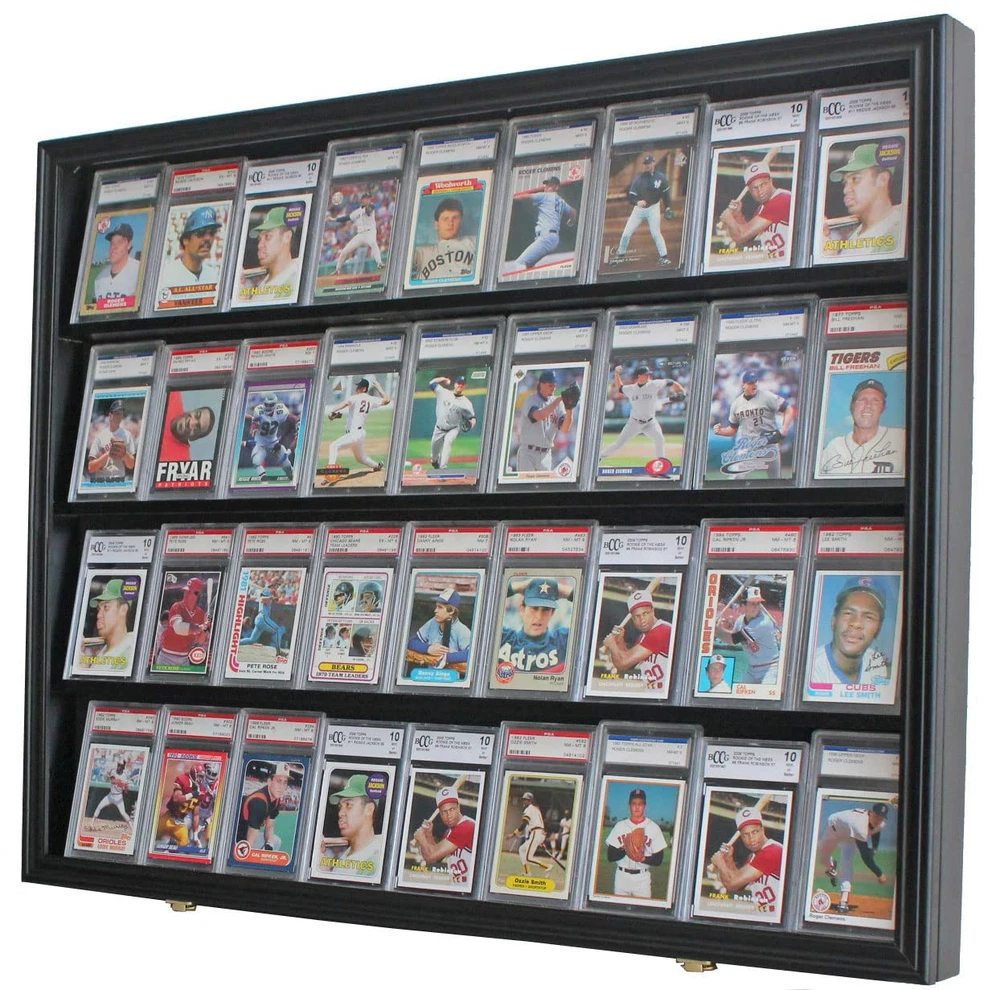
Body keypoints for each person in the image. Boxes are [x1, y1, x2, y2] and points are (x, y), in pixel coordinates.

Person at [712, 369, 794, 479]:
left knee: (775, 479)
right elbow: (733, 429)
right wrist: (722, 431)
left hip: (770, 443)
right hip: (749, 444)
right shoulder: (736, 404)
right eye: (750, 382)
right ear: (743, 384)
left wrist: (784, 429)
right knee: (736, 475)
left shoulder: (767, 396)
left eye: (755, 381)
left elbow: (788, 409)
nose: (754, 385)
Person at [824, 143, 903, 256]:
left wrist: (831, 257)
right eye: (845, 182)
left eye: (855, 179)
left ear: (882, 179)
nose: (846, 190)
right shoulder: (859, 230)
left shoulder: (898, 233)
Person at [810, 580, 891, 686]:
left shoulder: (876, 662)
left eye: (868, 617)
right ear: (834, 621)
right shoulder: (811, 667)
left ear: (878, 629)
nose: (856, 623)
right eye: (848, 613)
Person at [815, 801, 891, 913]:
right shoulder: (859, 825)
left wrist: (874, 849)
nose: (878, 820)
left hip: (850, 837)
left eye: (881, 818)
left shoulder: (880, 823)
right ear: (870, 812)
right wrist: (879, 873)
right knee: (822, 859)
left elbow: (876, 830)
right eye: (876, 816)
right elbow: (865, 857)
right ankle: (831, 864)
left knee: (847, 862)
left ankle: (843, 902)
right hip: (834, 828)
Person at [818, 377, 905, 476]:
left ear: (883, 408)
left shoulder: (901, 439)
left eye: (875, 401)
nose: (868, 405)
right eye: (862, 400)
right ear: (852, 406)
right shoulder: (834, 447)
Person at [600, 365, 685, 463]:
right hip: (634, 423)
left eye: (648, 374)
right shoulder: (631, 389)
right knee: (618, 444)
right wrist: (616, 373)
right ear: (639, 376)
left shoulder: (654, 384)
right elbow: (620, 387)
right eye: (645, 374)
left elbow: (670, 382)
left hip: (650, 422)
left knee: (660, 439)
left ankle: (660, 463)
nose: (648, 376)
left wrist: (681, 391)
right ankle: (600, 456)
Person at [710, 805, 784, 914]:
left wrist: (720, 863)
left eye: (755, 832)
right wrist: (728, 859)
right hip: (764, 915)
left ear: (762, 830)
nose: (751, 839)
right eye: (746, 834)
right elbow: (738, 885)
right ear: (741, 836)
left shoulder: (773, 851)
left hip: (779, 916)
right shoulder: (752, 857)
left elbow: (731, 884)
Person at [498, 576, 574, 675]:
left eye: (546, 609)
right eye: (534, 608)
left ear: (552, 612)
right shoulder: (504, 638)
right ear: (522, 609)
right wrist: (517, 587)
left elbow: (593, 614)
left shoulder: (563, 641)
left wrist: (563, 590)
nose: (539, 616)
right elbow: (480, 601)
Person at [718, 160, 791, 261]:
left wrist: (729, 219)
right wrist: (737, 215)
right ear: (749, 190)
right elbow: (746, 239)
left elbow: (740, 236)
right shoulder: (761, 209)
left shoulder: (782, 199)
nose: (760, 191)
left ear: (770, 180)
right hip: (776, 263)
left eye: (763, 184)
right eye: (755, 188)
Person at [610, 154, 673, 266]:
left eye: (649, 163)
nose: (647, 165)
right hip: (639, 210)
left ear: (654, 163)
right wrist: (637, 202)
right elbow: (631, 195)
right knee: (626, 234)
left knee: (656, 233)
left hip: (653, 208)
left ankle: (664, 257)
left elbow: (666, 195)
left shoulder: (660, 177)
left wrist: (667, 208)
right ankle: (620, 256)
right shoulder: (640, 178)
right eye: (646, 164)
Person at [602, 589, 672, 689]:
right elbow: (628, 664)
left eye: (645, 613)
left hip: (668, 692)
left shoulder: (662, 631)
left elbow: (621, 663)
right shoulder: (642, 637)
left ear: (653, 611)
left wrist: (612, 644)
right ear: (633, 619)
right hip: (653, 692)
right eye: (637, 616)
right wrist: (619, 641)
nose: (642, 620)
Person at [322, 378, 389, 480]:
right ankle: (377, 466)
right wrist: (379, 388)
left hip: (354, 434)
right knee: (361, 459)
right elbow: (387, 400)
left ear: (364, 389)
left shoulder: (355, 398)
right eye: (357, 386)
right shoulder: (371, 399)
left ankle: (330, 473)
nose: (357, 388)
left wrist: (333, 410)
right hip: (360, 434)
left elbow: (345, 403)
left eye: (359, 387)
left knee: (333, 446)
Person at [605, 788, 667, 898]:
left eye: (640, 804)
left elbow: (658, 860)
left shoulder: (653, 828)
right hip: (621, 877)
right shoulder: (620, 826)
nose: (637, 807)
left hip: (642, 878)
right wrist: (626, 849)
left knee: (643, 908)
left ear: (645, 806)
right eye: (634, 803)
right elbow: (610, 856)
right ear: (629, 806)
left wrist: (643, 859)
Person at [716, 585, 782, 684]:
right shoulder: (739, 621)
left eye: (758, 603)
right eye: (752, 603)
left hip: (770, 668)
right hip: (752, 669)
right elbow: (730, 637)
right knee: (741, 692)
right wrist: (718, 628)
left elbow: (732, 640)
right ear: (743, 605)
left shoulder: (762, 622)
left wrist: (717, 630)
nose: (756, 607)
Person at [412, 784, 476, 885]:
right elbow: (433, 860)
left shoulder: (467, 826)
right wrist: (428, 834)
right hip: (457, 886)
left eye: (452, 809)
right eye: (444, 812)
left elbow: (431, 856)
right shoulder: (448, 833)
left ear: (458, 807)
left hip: (471, 886)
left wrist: (421, 838)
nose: (449, 815)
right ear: (440, 814)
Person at [509, 176, 577, 271]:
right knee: (529, 266)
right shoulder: (561, 201)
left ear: (557, 187)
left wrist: (510, 197)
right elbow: (573, 211)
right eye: (546, 185)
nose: (546, 187)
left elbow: (526, 197)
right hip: (552, 237)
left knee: (520, 263)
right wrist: (571, 221)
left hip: (546, 237)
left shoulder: (546, 196)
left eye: (550, 185)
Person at [515, 370, 575, 473]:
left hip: (546, 454)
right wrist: (559, 400)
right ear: (541, 384)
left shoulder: (558, 404)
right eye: (550, 385)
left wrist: (569, 408)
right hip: (528, 453)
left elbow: (565, 429)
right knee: (526, 483)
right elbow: (539, 415)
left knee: (543, 483)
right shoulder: (530, 400)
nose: (553, 388)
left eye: (555, 385)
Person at [411, 196, 478, 283]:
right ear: (436, 224)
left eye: (455, 218)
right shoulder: (423, 252)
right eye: (445, 219)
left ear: (461, 221)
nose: (450, 223)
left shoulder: (473, 242)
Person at [244, 205, 302, 300]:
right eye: (259, 238)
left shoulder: (295, 282)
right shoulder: (268, 280)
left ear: (287, 237)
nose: (260, 245)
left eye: (267, 236)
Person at [152, 576, 211, 668]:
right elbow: (178, 628)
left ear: (197, 595)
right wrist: (200, 627)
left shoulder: (200, 614)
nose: (185, 594)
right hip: (166, 657)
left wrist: (206, 627)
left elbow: (200, 641)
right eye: (185, 591)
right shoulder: (177, 607)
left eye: (189, 592)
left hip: (184, 659)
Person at [407, 588, 472, 670]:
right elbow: (412, 642)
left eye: (440, 607)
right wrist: (428, 649)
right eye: (436, 607)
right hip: (430, 674)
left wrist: (447, 657)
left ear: (451, 611)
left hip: (450, 676)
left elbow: (472, 652)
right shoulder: (433, 622)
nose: (435, 610)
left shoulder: (462, 630)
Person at [235, 762, 295, 851]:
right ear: (269, 782)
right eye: (279, 781)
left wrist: (269, 844)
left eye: (284, 783)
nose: (282, 787)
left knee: (275, 841)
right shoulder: (259, 802)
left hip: (248, 836)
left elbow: (270, 826)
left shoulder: (276, 800)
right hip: (235, 839)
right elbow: (250, 840)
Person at [330, 774, 383, 871]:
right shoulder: (349, 853)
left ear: (369, 809)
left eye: (348, 804)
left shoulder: (378, 860)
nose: (340, 813)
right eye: (340, 807)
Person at [160, 206, 222, 288]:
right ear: (186, 240)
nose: (208, 238)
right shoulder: (166, 276)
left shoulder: (213, 276)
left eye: (212, 233)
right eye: (201, 233)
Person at [428, 375, 476, 470]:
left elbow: (473, 418)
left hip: (453, 428)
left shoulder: (466, 403)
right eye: (459, 383)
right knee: (434, 455)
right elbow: (431, 383)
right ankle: (435, 462)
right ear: (455, 384)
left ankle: (443, 468)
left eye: (462, 384)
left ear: (464, 386)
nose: (460, 385)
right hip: (439, 428)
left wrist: (471, 425)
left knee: (448, 442)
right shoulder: (443, 393)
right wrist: (444, 379)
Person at [245, 392, 293, 483]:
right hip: (261, 444)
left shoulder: (281, 411)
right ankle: (264, 481)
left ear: (275, 405)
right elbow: (254, 422)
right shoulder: (259, 410)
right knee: (256, 461)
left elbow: (291, 423)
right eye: (266, 404)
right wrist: (253, 428)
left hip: (274, 442)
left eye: (270, 405)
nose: (267, 407)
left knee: (286, 464)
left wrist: (281, 440)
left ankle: (292, 477)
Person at [332, 190, 385, 274]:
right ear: (362, 200)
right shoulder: (357, 212)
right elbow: (346, 218)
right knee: (345, 250)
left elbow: (370, 209)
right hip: (360, 235)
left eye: (369, 198)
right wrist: (333, 219)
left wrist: (367, 208)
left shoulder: (371, 205)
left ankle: (379, 263)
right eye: (366, 198)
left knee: (373, 243)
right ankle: (337, 269)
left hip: (370, 232)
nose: (368, 200)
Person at [87, 399, 137, 483]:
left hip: (119, 481)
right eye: (116, 414)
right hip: (101, 481)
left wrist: (124, 453)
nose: (119, 417)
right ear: (110, 415)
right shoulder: (100, 436)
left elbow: (131, 465)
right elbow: (91, 467)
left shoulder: (127, 435)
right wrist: (108, 454)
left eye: (121, 414)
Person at [93, 222, 142, 303]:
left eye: (119, 242)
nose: (114, 247)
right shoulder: (99, 279)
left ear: (129, 245)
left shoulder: (140, 272)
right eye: (112, 243)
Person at [506, 791, 551, 875]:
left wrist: (513, 834)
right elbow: (539, 823)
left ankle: (547, 866)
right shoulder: (536, 809)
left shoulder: (529, 809)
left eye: (526, 800)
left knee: (528, 858)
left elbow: (524, 824)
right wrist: (541, 840)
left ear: (530, 801)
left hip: (536, 833)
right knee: (522, 849)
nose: (524, 801)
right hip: (539, 833)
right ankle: (527, 872)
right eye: (523, 799)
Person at [89, 579, 136, 660]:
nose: (98, 615)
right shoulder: (107, 650)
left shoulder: (130, 652)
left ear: (123, 609)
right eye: (99, 609)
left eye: (106, 607)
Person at [239, 589, 287, 656]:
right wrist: (271, 597)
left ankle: (236, 642)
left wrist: (275, 596)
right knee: (277, 630)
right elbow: (263, 599)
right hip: (263, 618)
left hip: (260, 619)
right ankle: (279, 651)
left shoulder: (268, 598)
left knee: (251, 640)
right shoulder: (263, 597)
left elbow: (275, 599)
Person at [90, 759, 134, 828]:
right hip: (110, 796)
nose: (118, 766)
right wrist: (121, 782)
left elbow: (126, 792)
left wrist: (125, 786)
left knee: (123, 813)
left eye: (120, 765)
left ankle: (132, 828)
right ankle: (91, 824)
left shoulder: (125, 776)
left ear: (123, 767)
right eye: (118, 765)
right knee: (99, 806)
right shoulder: (114, 771)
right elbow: (113, 781)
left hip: (118, 796)